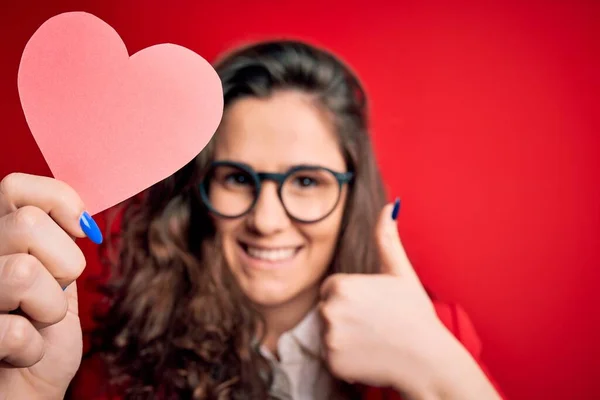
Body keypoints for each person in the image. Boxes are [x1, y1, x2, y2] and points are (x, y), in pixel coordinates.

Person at [0, 40, 505, 400]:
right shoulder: (121, 361)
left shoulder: (436, 333)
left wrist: (440, 375)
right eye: (238, 178)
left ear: (352, 192)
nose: (266, 221)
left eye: (307, 181)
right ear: (197, 192)